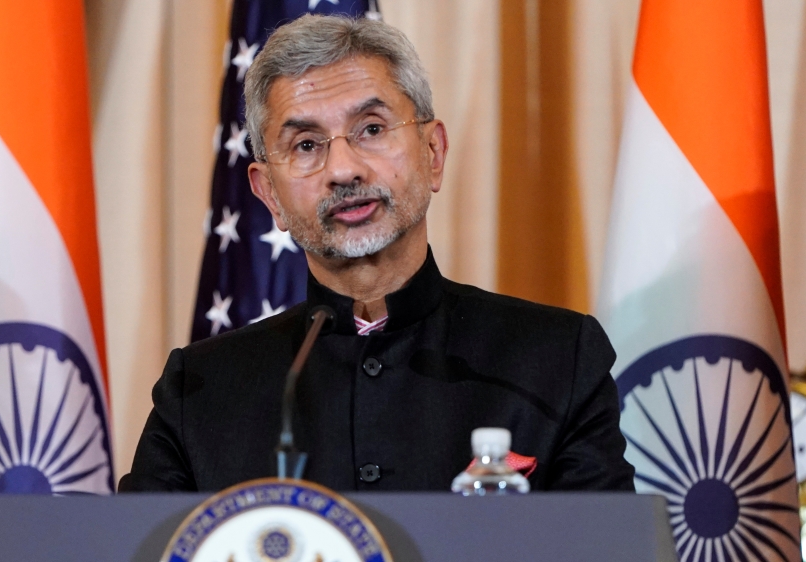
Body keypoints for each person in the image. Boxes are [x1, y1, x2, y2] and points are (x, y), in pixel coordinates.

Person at [120, 14, 635, 492]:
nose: (343, 169)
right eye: (305, 144)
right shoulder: (199, 392)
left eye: (371, 129)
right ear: (269, 195)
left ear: (433, 154)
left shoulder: (556, 361)